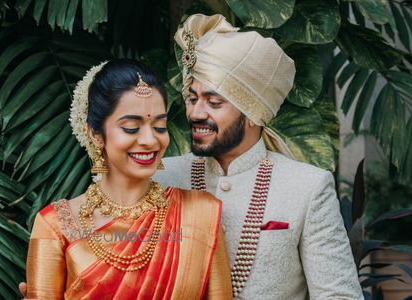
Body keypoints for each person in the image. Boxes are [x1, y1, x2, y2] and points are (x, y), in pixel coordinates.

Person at [153, 14, 364, 299]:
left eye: (214, 102)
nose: (195, 113)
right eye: (192, 98)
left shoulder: (307, 188)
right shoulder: (161, 177)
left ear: (253, 113)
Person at [24, 59, 232, 299]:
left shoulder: (201, 214)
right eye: (132, 128)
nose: (150, 140)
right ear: (95, 133)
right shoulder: (55, 225)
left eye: (160, 127)